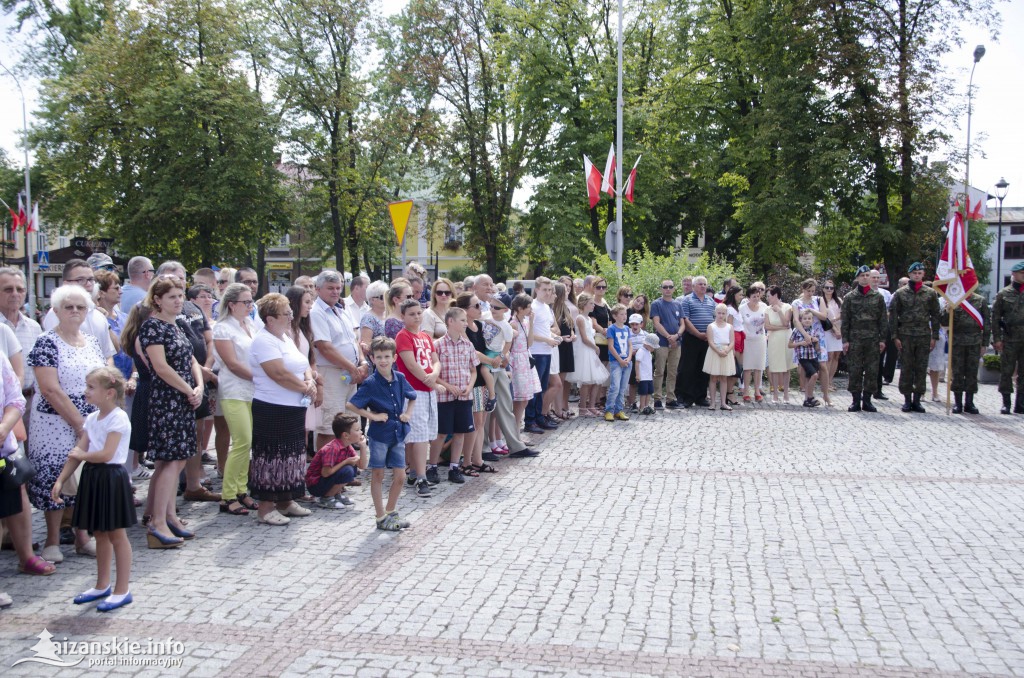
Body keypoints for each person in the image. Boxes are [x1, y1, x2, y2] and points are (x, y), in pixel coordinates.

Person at [27, 284, 106, 563]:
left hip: (90, 419)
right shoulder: (46, 342)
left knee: (84, 478)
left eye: (80, 307)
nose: (74, 311)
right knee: (56, 476)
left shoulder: (91, 340)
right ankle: (52, 539)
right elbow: (50, 388)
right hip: (54, 422)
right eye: (68, 307)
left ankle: (82, 536)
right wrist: (78, 423)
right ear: (56, 310)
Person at [50, 367, 135, 611]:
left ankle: (122, 589)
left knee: (117, 535)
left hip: (111, 478)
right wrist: (61, 479)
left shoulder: (118, 418)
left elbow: (107, 453)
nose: (85, 391)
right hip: (94, 476)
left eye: (90, 387)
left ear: (109, 393)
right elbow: (77, 453)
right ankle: (101, 585)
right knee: (99, 533)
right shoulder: (91, 418)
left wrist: (83, 454)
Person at [138, 277, 203, 547]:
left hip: (183, 398)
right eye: (172, 297)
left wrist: (198, 385)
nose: (178, 301)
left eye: (180, 295)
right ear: (157, 299)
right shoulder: (153, 326)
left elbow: (191, 359)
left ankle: (169, 516)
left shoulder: (177, 325)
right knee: (170, 461)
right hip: (167, 400)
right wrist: (188, 388)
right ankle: (158, 522)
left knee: (173, 461)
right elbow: (161, 367)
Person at [248, 293, 318, 525]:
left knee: (292, 454)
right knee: (271, 457)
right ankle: (266, 507)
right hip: (272, 407)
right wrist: (305, 388)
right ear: (270, 319)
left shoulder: (284, 337)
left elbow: (303, 362)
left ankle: (286, 499)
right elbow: (278, 373)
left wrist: (309, 381)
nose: (290, 317)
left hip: (293, 406)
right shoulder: (263, 340)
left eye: (290, 312)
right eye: (285, 313)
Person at [347, 336, 416, 530]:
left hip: (398, 433)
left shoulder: (400, 378)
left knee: (400, 476)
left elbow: (412, 397)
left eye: (387, 356)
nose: (383, 360)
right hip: (379, 435)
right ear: (373, 359)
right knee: (378, 474)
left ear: (394, 358)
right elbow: (351, 404)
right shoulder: (370, 383)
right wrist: (372, 416)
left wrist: (408, 413)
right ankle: (380, 517)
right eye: (379, 357)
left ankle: (391, 511)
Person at [0, 353, 52, 594]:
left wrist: (4, 426)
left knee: (11, 502)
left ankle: (26, 557)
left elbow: (15, 398)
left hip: (3, 448)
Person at [311, 270, 368, 451]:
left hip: (349, 373)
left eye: (338, 288)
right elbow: (324, 347)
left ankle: (345, 466)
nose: (335, 292)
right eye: (330, 288)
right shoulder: (316, 312)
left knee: (350, 424)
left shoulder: (341, 310)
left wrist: (363, 362)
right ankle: (327, 469)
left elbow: (354, 340)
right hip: (331, 373)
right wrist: (352, 367)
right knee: (329, 425)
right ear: (318, 289)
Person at [212, 283, 256, 516]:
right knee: (241, 441)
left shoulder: (249, 324)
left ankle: (241, 489)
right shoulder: (222, 328)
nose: (250, 306)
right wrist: (259, 377)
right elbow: (232, 363)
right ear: (232, 304)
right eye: (245, 302)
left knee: (248, 443)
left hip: (251, 391)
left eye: (251, 301)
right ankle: (227, 495)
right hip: (233, 390)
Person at [480, 298, 538, 459]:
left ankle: (516, 445)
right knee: (486, 409)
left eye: (497, 307)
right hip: (486, 366)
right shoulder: (484, 318)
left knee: (505, 406)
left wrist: (503, 359)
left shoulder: (506, 325)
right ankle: (484, 448)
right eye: (491, 306)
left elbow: (507, 345)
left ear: (505, 309)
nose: (492, 309)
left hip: (499, 366)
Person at [395, 299, 440, 497]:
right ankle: (422, 477)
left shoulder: (425, 337)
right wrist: (427, 379)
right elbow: (411, 364)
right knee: (419, 435)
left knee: (424, 433)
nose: (416, 317)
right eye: (412, 314)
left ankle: (414, 471)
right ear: (403, 316)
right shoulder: (403, 336)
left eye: (419, 313)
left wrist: (434, 374)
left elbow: (435, 360)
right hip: (414, 391)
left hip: (428, 389)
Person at [430, 306, 479, 483]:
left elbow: (473, 370)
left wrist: (470, 386)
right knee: (441, 433)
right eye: (463, 320)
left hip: (464, 396)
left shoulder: (468, 345)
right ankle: (432, 466)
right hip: (444, 397)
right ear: (451, 321)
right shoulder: (437, 345)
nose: (466, 323)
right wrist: (447, 386)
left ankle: (454, 467)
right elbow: (434, 372)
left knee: (460, 433)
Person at [455, 292, 499, 473]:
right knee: (472, 423)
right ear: (465, 310)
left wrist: (498, 357)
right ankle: (466, 461)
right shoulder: (462, 328)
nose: (480, 308)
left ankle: (477, 459)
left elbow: (490, 347)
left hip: (481, 378)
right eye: (476, 306)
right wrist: (491, 361)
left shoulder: (480, 326)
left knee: (480, 421)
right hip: (469, 378)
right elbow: (472, 351)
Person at [889, 262, 941, 413]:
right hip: (905, 335)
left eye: (920, 273)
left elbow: (935, 315)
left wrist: (934, 336)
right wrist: (895, 336)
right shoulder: (900, 293)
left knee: (921, 367)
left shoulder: (930, 293)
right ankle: (906, 399)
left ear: (923, 275)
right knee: (906, 367)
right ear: (910, 274)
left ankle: (917, 399)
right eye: (914, 273)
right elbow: (893, 316)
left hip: (923, 335)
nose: (917, 275)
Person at [43, 259, 116, 362]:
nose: (88, 284)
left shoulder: (98, 315)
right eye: (80, 280)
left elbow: (108, 355)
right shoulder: (56, 314)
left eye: (91, 279)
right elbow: (55, 357)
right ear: (66, 283)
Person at [841, 266, 888, 412]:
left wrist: (882, 340)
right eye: (862, 275)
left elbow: (882, 320)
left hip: (872, 339)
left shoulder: (878, 297)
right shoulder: (849, 297)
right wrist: (845, 340)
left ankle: (867, 400)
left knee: (872, 370)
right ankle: (855, 400)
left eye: (867, 275)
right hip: (855, 338)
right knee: (855, 369)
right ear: (857, 278)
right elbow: (845, 320)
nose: (865, 277)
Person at [941, 289, 989, 414]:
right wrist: (947, 309)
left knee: (972, 372)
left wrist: (984, 343)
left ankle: (969, 402)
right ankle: (957, 403)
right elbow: (944, 321)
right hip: (957, 341)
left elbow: (987, 323)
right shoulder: (954, 300)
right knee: (957, 372)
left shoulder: (980, 300)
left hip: (974, 341)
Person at [305, 413, 367, 509]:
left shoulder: (347, 446)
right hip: (315, 485)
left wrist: (363, 447)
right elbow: (325, 473)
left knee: (352, 467)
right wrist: (346, 462)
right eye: (357, 430)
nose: (361, 432)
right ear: (346, 435)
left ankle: (336, 494)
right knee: (348, 470)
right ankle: (326, 498)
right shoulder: (332, 448)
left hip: (325, 480)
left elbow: (362, 466)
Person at [525, 277, 562, 433]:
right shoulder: (532, 307)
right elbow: (529, 333)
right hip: (536, 352)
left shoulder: (547, 307)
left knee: (542, 387)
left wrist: (554, 337)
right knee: (535, 388)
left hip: (546, 351)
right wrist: (548, 338)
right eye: (544, 290)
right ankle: (530, 421)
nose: (547, 293)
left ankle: (540, 417)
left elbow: (547, 329)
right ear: (537, 290)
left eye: (549, 290)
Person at [567, 293, 609, 417]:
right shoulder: (580, 318)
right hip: (584, 349)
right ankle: (583, 407)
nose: (593, 306)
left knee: (596, 379)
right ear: (584, 304)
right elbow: (584, 338)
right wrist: (595, 347)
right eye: (591, 304)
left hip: (590, 350)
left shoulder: (589, 319)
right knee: (586, 380)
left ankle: (591, 405)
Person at [790, 279, 831, 404]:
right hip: (803, 336)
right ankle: (808, 395)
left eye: (813, 291)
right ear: (803, 289)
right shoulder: (797, 302)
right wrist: (805, 335)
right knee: (805, 367)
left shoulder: (818, 300)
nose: (810, 293)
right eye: (808, 291)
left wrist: (812, 310)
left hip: (818, 336)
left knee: (822, 366)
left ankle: (826, 394)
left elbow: (824, 316)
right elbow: (796, 320)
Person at [678, 276, 716, 408]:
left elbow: (715, 318)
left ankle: (700, 396)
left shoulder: (711, 301)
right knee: (688, 368)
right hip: (691, 338)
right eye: (700, 284)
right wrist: (698, 334)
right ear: (693, 286)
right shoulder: (686, 300)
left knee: (703, 368)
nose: (703, 286)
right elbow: (685, 320)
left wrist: (709, 334)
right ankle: (686, 397)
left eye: (705, 284)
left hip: (707, 339)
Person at [992, 261, 1024, 414]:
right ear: (1014, 274)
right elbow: (996, 318)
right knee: (1007, 371)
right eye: (1022, 273)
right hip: (1010, 338)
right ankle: (1006, 403)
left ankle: (1021, 404)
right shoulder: (1003, 294)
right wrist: (997, 338)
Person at [509, 293, 542, 429]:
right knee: (520, 399)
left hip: (525, 358)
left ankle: (517, 429)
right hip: (517, 361)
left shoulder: (525, 322)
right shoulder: (513, 323)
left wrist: (532, 323)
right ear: (520, 308)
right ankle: (515, 430)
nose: (531, 310)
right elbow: (509, 346)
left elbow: (530, 343)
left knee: (526, 398)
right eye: (528, 307)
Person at [650, 280, 682, 409]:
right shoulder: (656, 304)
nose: (668, 289)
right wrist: (669, 337)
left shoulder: (678, 304)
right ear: (661, 289)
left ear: (674, 289)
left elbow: (683, 323)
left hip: (677, 343)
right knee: (659, 371)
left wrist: (677, 336)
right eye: (665, 287)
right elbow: (656, 323)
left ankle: (670, 398)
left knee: (673, 372)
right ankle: (657, 399)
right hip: (662, 342)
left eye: (670, 287)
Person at [702, 303, 736, 410]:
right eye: (719, 313)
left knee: (724, 378)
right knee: (713, 377)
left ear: (726, 314)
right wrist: (718, 351)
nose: (721, 315)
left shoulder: (730, 327)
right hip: (714, 352)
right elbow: (711, 341)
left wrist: (727, 350)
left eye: (723, 313)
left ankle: (723, 402)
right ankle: (712, 402)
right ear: (715, 313)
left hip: (726, 352)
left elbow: (732, 341)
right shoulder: (711, 326)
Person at [764, 285, 793, 404]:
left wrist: (779, 311)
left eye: (769, 296)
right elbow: (767, 326)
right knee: (775, 367)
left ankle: (786, 393)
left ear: (776, 295)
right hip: (774, 339)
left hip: (786, 339)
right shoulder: (767, 309)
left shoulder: (787, 307)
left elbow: (786, 322)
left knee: (786, 367)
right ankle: (775, 394)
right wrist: (781, 327)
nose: (767, 298)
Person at [789, 310, 823, 407]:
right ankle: (810, 397)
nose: (807, 321)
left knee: (809, 378)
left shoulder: (814, 330)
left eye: (809, 319)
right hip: (803, 357)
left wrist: (816, 342)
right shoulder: (796, 330)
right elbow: (790, 345)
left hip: (813, 356)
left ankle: (807, 400)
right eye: (805, 319)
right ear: (800, 320)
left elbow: (817, 348)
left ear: (812, 320)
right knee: (814, 375)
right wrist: (800, 343)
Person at [604, 304, 632, 421]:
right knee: (614, 386)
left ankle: (619, 410)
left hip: (627, 362)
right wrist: (619, 360)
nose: (624, 316)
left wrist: (629, 358)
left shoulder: (627, 329)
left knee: (623, 387)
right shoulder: (612, 329)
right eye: (621, 314)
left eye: (625, 314)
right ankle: (609, 410)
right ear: (615, 316)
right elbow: (610, 346)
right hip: (616, 362)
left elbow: (630, 345)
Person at [871, 268, 896, 400]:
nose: (875, 280)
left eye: (877, 277)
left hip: (882, 331)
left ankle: (878, 389)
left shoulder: (886, 294)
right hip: (867, 332)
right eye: (873, 277)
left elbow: (890, 312)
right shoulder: (861, 293)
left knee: (880, 361)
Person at [553, 282, 576, 420]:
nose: (568, 292)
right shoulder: (554, 310)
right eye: (565, 291)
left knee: (562, 380)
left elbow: (570, 326)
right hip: (559, 346)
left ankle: (560, 407)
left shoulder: (566, 308)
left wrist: (572, 334)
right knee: (557, 381)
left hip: (567, 345)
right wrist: (561, 338)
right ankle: (556, 409)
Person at [740, 284, 767, 402]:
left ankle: (757, 391)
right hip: (747, 340)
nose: (756, 298)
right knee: (747, 367)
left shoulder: (764, 306)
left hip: (760, 340)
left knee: (758, 367)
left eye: (758, 296)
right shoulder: (742, 308)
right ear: (748, 297)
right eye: (753, 296)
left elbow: (768, 322)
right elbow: (739, 324)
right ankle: (746, 391)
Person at [723, 286, 745, 406]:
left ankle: (729, 392)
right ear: (734, 295)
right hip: (734, 337)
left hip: (740, 336)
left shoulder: (736, 309)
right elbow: (729, 327)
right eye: (740, 294)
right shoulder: (730, 309)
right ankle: (729, 393)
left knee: (738, 368)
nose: (741, 297)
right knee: (734, 367)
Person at [821, 280, 843, 391]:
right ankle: (825, 383)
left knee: (836, 356)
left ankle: (830, 380)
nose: (829, 290)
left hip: (838, 330)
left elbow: (843, 314)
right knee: (828, 356)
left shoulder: (838, 300)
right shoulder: (820, 301)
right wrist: (833, 327)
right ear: (823, 288)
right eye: (827, 287)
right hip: (827, 331)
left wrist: (836, 324)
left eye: (831, 288)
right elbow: (823, 317)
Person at [359, 280, 390, 354]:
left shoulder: (388, 314)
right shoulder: (368, 318)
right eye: (382, 297)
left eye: (387, 296)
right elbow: (366, 345)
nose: (386, 299)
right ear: (372, 300)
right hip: (377, 360)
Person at [625, 313, 646, 411]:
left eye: (637, 324)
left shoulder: (646, 334)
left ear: (641, 324)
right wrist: (630, 352)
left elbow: (650, 348)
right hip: (632, 359)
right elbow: (624, 346)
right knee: (632, 382)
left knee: (644, 381)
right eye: (632, 324)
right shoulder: (627, 334)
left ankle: (644, 404)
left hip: (643, 360)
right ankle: (632, 403)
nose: (634, 326)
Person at [635, 333, 658, 415]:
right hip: (643, 376)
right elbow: (637, 363)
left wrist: (651, 375)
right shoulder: (641, 351)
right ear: (647, 344)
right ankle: (641, 407)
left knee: (649, 391)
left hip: (648, 377)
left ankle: (646, 406)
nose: (653, 349)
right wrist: (638, 375)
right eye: (653, 347)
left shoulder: (648, 352)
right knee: (643, 392)